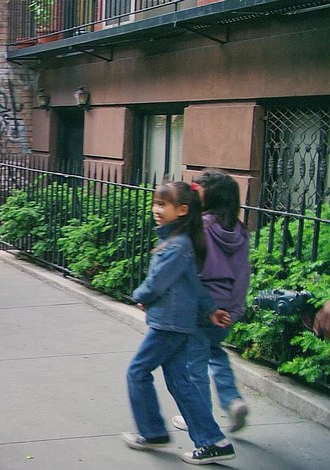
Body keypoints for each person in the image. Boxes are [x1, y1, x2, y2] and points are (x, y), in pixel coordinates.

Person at [123, 181, 236, 465]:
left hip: (169, 325)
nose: (156, 209)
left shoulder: (177, 246)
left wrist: (140, 296)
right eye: (155, 203)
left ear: (182, 210)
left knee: (137, 372)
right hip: (174, 322)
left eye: (163, 204)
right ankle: (213, 441)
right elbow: (193, 284)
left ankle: (153, 432)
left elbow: (157, 282)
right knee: (180, 382)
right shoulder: (179, 242)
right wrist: (211, 310)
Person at [170, 169, 250, 434]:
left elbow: (190, 268)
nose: (193, 194)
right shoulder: (240, 231)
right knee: (215, 352)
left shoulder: (200, 228)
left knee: (195, 363)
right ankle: (232, 400)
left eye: (197, 190)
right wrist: (235, 309)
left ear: (210, 197)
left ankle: (198, 416)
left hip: (201, 305)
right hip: (227, 308)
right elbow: (243, 274)